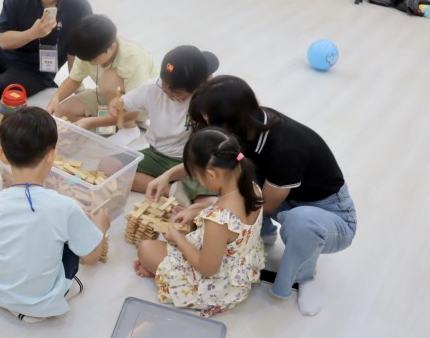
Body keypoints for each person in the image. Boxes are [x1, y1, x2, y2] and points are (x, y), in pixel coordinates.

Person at [146, 75, 357, 316]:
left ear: (231, 121)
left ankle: (305, 276)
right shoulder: (248, 124)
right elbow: (211, 162)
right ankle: (262, 234)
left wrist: (214, 216)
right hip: (278, 193)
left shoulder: (286, 150)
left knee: (300, 221)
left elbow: (260, 205)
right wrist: (168, 176)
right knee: (241, 176)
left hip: (330, 214)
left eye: (209, 121)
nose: (207, 127)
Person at [0, 107, 109, 323]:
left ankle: (17, 302)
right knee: (72, 240)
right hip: (42, 303)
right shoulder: (66, 207)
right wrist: (101, 228)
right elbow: (91, 258)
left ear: (2, 155)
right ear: (52, 156)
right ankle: (50, 297)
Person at [134, 127, 265, 317]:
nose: (196, 180)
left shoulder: (218, 220)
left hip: (215, 286)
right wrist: (197, 209)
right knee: (175, 237)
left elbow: (208, 269)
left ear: (211, 174)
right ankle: (161, 268)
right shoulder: (252, 188)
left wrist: (178, 238)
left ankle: (164, 276)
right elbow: (232, 217)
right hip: (238, 267)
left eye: (196, 175)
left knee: (145, 248)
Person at [107, 45, 219, 200]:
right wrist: (116, 105)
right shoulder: (153, 87)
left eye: (176, 92)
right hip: (156, 155)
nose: (168, 92)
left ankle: (172, 187)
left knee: (208, 197)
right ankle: (170, 190)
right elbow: (124, 104)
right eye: (165, 86)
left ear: (197, 86)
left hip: (190, 161)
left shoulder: (206, 100)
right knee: (108, 166)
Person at [46, 14, 156, 145]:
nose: (90, 63)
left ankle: (130, 128)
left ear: (112, 47)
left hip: (141, 106)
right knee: (64, 110)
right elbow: (74, 79)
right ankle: (117, 122)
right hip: (110, 94)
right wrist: (56, 98)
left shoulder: (133, 59)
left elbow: (136, 105)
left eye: (93, 61)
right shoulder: (88, 49)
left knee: (109, 81)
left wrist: (92, 122)